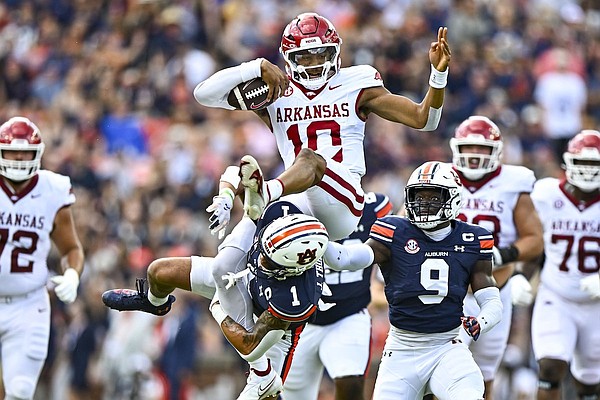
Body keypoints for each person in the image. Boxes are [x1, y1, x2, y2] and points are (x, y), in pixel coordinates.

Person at [193, 12, 451, 242]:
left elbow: (424, 119)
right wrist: (255, 66)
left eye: (321, 54)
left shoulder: (356, 82)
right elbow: (202, 94)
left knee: (309, 159)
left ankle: (265, 192)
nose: (314, 63)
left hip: (343, 201)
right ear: (288, 59)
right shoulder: (276, 88)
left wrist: (438, 76)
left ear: (335, 52)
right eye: (304, 58)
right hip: (298, 197)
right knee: (225, 264)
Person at [103, 200, 330, 400]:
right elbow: (249, 190)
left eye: (269, 262)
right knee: (159, 271)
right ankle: (154, 303)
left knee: (266, 390)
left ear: (289, 271)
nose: (261, 259)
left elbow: (250, 346)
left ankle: (263, 375)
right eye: (264, 251)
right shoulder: (278, 213)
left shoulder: (296, 298)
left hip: (267, 330)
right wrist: (229, 195)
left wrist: (218, 309)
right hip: (238, 278)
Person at [322, 161, 503, 400]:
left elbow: (491, 300)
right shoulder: (394, 230)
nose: (424, 203)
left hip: (446, 346)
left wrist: (482, 321)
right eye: (419, 196)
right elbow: (348, 259)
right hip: (401, 349)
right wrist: (320, 243)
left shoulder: (472, 238)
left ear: (453, 198)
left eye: (433, 197)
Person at [449, 115, 544, 400]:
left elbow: (535, 239)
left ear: (497, 152)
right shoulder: (439, 177)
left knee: (484, 376)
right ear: (456, 148)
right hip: (448, 292)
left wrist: (503, 255)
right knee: (445, 369)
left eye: (482, 149)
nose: (475, 156)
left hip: (494, 293)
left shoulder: (515, 181)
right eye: (469, 148)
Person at [0, 116, 85, 400]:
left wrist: (72, 274)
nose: (20, 158)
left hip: (28, 303)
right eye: (13, 151)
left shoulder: (51, 189)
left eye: (25, 151)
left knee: (21, 391)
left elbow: (71, 249)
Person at [283, 191, 393, 400]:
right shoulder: (295, 207)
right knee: (290, 395)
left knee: (350, 385)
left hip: (349, 314)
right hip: (301, 320)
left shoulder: (373, 207)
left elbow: (393, 245)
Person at [529, 130, 600, 400]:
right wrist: (523, 276)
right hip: (556, 295)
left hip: (596, 303)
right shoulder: (546, 194)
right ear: (568, 163)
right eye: (583, 163)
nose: (588, 171)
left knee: (590, 384)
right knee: (549, 366)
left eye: (594, 164)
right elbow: (532, 239)